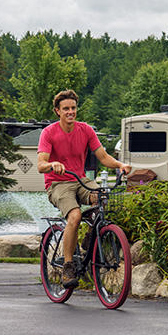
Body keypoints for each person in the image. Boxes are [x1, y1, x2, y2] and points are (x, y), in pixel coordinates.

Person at [38, 89, 130, 287]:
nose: (70, 112)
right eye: (66, 109)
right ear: (57, 111)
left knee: (102, 197)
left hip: (79, 180)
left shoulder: (86, 130)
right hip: (58, 183)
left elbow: (103, 157)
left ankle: (90, 239)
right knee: (75, 216)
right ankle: (68, 266)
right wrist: (52, 164)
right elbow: (40, 164)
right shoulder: (49, 133)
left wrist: (120, 165)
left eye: (73, 108)